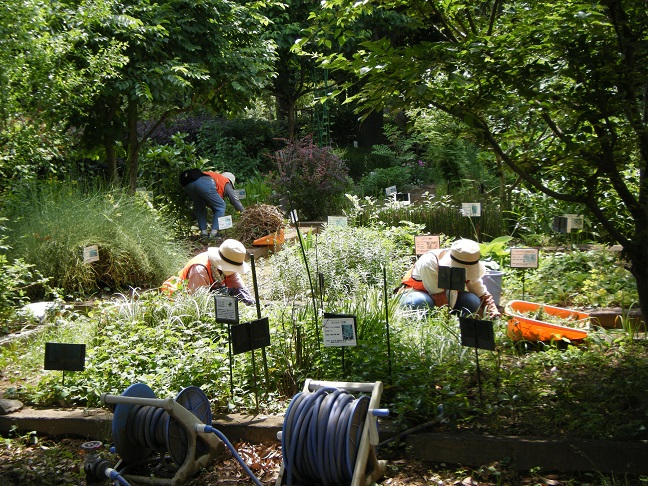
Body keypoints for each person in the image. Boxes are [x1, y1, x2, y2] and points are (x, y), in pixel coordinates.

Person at [398, 238, 500, 318]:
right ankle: (423, 324)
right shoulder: (429, 262)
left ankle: (461, 322)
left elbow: (481, 292)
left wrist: (493, 311)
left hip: (447, 297)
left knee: (472, 300)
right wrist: (446, 323)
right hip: (415, 293)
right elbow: (439, 297)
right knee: (420, 302)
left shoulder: (467, 260)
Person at [161, 239, 255, 305]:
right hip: (184, 299)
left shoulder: (228, 259)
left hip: (209, 292)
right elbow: (199, 302)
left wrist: (250, 303)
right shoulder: (199, 270)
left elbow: (238, 288)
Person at [182, 169, 244, 239]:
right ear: (231, 181)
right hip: (204, 183)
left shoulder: (215, 177)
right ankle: (214, 234)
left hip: (189, 185)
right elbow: (235, 200)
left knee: (199, 208)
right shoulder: (226, 182)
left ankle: (204, 234)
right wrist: (244, 212)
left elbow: (210, 201)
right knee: (221, 206)